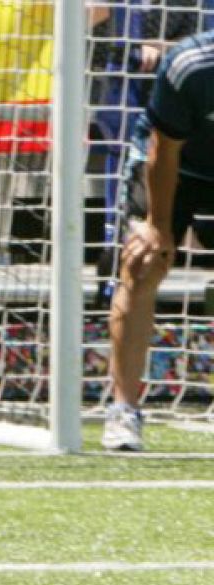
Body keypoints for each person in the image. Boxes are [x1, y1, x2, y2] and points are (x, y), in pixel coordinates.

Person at [104, 27, 214, 451]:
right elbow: (163, 150)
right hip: (175, 164)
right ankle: (123, 410)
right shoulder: (193, 65)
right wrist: (158, 226)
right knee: (144, 262)